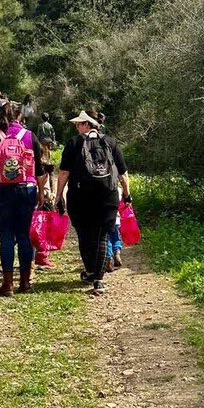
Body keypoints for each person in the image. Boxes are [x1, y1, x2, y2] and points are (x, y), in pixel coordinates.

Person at [55, 110, 130, 296]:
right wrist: (127, 194)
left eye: (79, 123)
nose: (77, 127)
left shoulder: (74, 143)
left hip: (80, 196)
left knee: (84, 233)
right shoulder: (110, 142)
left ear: (87, 125)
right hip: (107, 195)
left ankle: (90, 270)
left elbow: (64, 172)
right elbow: (122, 173)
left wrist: (59, 195)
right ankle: (98, 279)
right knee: (102, 235)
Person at [0, 102, 46, 296]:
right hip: (26, 189)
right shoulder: (29, 135)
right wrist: (41, 192)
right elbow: (40, 169)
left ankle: (7, 284)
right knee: (24, 235)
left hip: (2, 191)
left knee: (7, 236)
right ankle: (25, 282)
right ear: (19, 116)